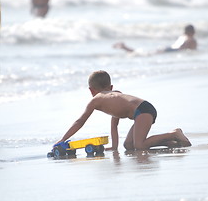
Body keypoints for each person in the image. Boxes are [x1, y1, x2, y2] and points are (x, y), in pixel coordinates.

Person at [55, 70, 191, 151]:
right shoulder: (116, 95)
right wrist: (115, 147)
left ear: (91, 90)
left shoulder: (96, 100)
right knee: (129, 145)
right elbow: (114, 125)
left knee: (140, 145)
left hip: (143, 111)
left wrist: (63, 139)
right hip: (144, 109)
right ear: (111, 86)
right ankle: (171, 142)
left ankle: (174, 133)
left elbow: (80, 121)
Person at [114, 24, 197, 53]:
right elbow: (183, 49)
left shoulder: (182, 36)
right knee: (146, 54)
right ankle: (125, 48)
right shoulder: (191, 39)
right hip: (171, 50)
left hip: (168, 48)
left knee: (147, 53)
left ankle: (125, 48)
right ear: (192, 31)